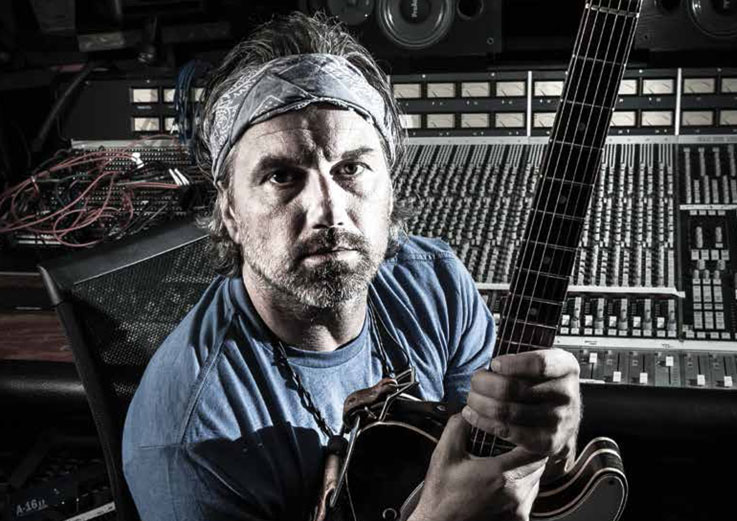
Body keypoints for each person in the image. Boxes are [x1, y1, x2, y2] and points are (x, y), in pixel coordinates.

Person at [122, 12, 581, 521]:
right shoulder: (192, 440)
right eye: (282, 176)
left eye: (351, 168)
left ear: (391, 187)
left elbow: (498, 464)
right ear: (229, 210)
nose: (329, 210)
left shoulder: (436, 283)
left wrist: (550, 442)